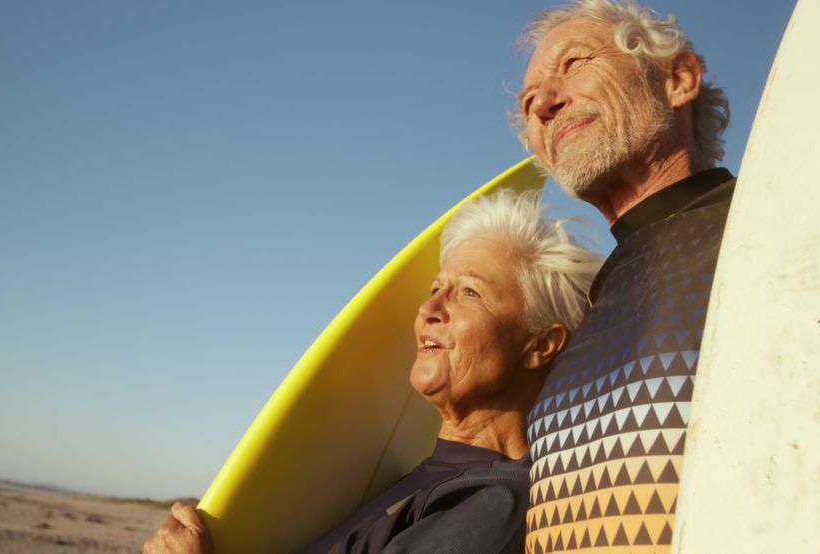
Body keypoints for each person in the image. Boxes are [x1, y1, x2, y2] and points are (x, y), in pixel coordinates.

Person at [143, 189, 603, 554]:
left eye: (469, 294)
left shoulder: (497, 505)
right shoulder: (408, 475)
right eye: (435, 288)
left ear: (540, 345)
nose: (429, 309)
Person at [514, 0, 735, 553]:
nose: (543, 103)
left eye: (574, 63)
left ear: (678, 79)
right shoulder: (592, 307)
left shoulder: (769, 221)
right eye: (528, 101)